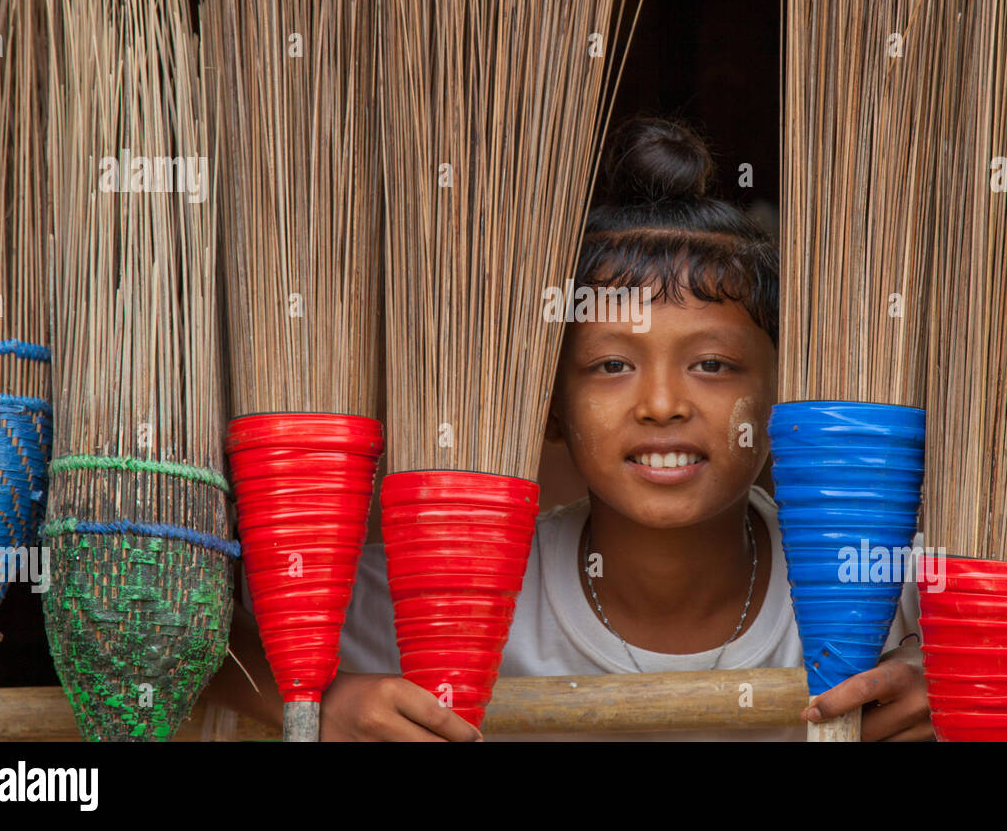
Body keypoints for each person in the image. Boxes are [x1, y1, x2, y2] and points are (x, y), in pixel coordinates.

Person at [205, 116, 932, 741]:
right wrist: (318, 703)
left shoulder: (878, 592)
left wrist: (948, 673)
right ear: (550, 407)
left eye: (711, 364)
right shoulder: (441, 596)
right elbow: (191, 646)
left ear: (785, 403)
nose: (661, 404)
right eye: (612, 365)